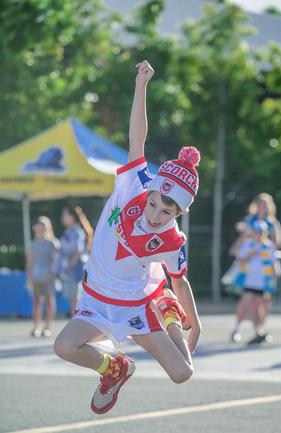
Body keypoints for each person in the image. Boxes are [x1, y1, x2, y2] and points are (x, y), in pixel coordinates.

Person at [54, 60, 201, 415]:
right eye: (153, 204)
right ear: (149, 191)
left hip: (136, 304)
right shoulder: (133, 182)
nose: (154, 215)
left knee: (183, 373)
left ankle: (166, 312)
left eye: (166, 212)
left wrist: (192, 321)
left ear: (179, 214)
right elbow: (138, 137)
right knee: (64, 347)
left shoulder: (173, 242)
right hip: (97, 297)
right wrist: (142, 84)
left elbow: (180, 281)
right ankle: (116, 369)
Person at [229, 193, 281, 343]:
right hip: (249, 271)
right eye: (260, 203)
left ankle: (260, 330)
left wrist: (264, 243)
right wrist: (249, 242)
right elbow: (238, 247)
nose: (262, 207)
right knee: (247, 300)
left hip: (264, 273)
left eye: (266, 204)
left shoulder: (272, 223)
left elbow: (277, 243)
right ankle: (237, 328)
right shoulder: (249, 221)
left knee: (262, 301)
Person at [26, 216, 59, 337]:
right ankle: (36, 327)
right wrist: (30, 278)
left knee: (50, 302)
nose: (40, 230)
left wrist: (49, 275)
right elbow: (29, 262)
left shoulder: (53, 243)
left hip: (48, 277)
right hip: (36, 276)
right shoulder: (33, 244)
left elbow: (55, 262)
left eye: (43, 227)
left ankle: (47, 328)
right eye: (39, 227)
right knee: (36, 302)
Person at [54, 207, 87, 316]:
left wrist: (69, 267)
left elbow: (77, 251)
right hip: (68, 270)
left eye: (65, 215)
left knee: (76, 297)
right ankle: (76, 319)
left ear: (72, 217)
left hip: (75, 270)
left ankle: (78, 321)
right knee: (71, 298)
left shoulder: (77, 232)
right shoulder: (67, 231)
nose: (62, 218)